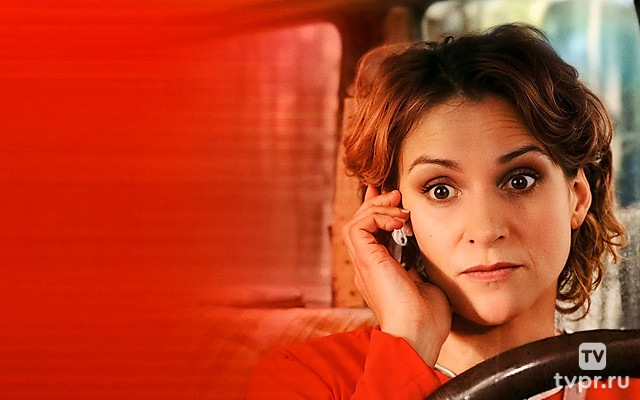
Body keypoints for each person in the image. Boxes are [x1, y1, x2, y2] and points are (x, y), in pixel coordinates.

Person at [247, 23, 638, 399]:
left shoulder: (626, 380)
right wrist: (408, 340)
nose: (485, 229)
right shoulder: (307, 379)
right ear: (394, 213)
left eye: (520, 180)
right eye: (440, 190)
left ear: (577, 197)